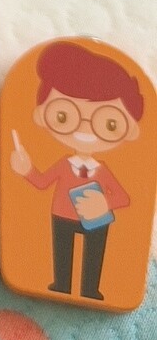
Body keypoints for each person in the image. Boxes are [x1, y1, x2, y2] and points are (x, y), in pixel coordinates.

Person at [9, 40, 143, 302]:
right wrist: (26, 170)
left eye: (109, 123)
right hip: (61, 215)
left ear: (130, 129)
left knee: (94, 253)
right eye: (64, 116)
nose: (85, 129)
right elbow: (42, 182)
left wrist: (105, 203)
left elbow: (124, 197)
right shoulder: (63, 165)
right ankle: (61, 283)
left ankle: (91, 288)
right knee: (63, 251)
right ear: (41, 115)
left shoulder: (102, 171)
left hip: (96, 218)